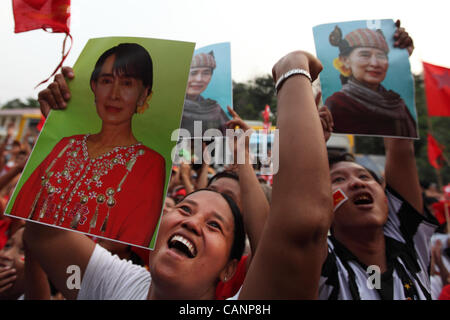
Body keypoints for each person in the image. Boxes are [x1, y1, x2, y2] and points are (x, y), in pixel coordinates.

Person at [25, 49, 330, 300]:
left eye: (214, 226)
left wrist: (292, 70)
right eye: (185, 208)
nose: (191, 222)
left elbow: (301, 231)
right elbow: (44, 232)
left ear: (229, 269)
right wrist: (69, 127)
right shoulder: (117, 287)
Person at [10, 43, 166, 248]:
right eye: (107, 81)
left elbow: (129, 250)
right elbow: (18, 222)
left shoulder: (150, 164)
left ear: (144, 94)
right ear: (94, 86)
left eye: (127, 83)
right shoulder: (66, 145)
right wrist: (57, 122)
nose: (114, 94)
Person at [325, 20, 417, 138]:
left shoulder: (396, 103)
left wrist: (403, 55)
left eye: (380, 56)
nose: (375, 63)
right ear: (345, 60)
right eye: (365, 55)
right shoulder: (337, 104)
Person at [180, 51, 229, 136]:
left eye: (206, 73)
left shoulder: (214, 109)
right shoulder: (171, 108)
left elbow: (229, 142)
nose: (199, 79)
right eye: (193, 73)